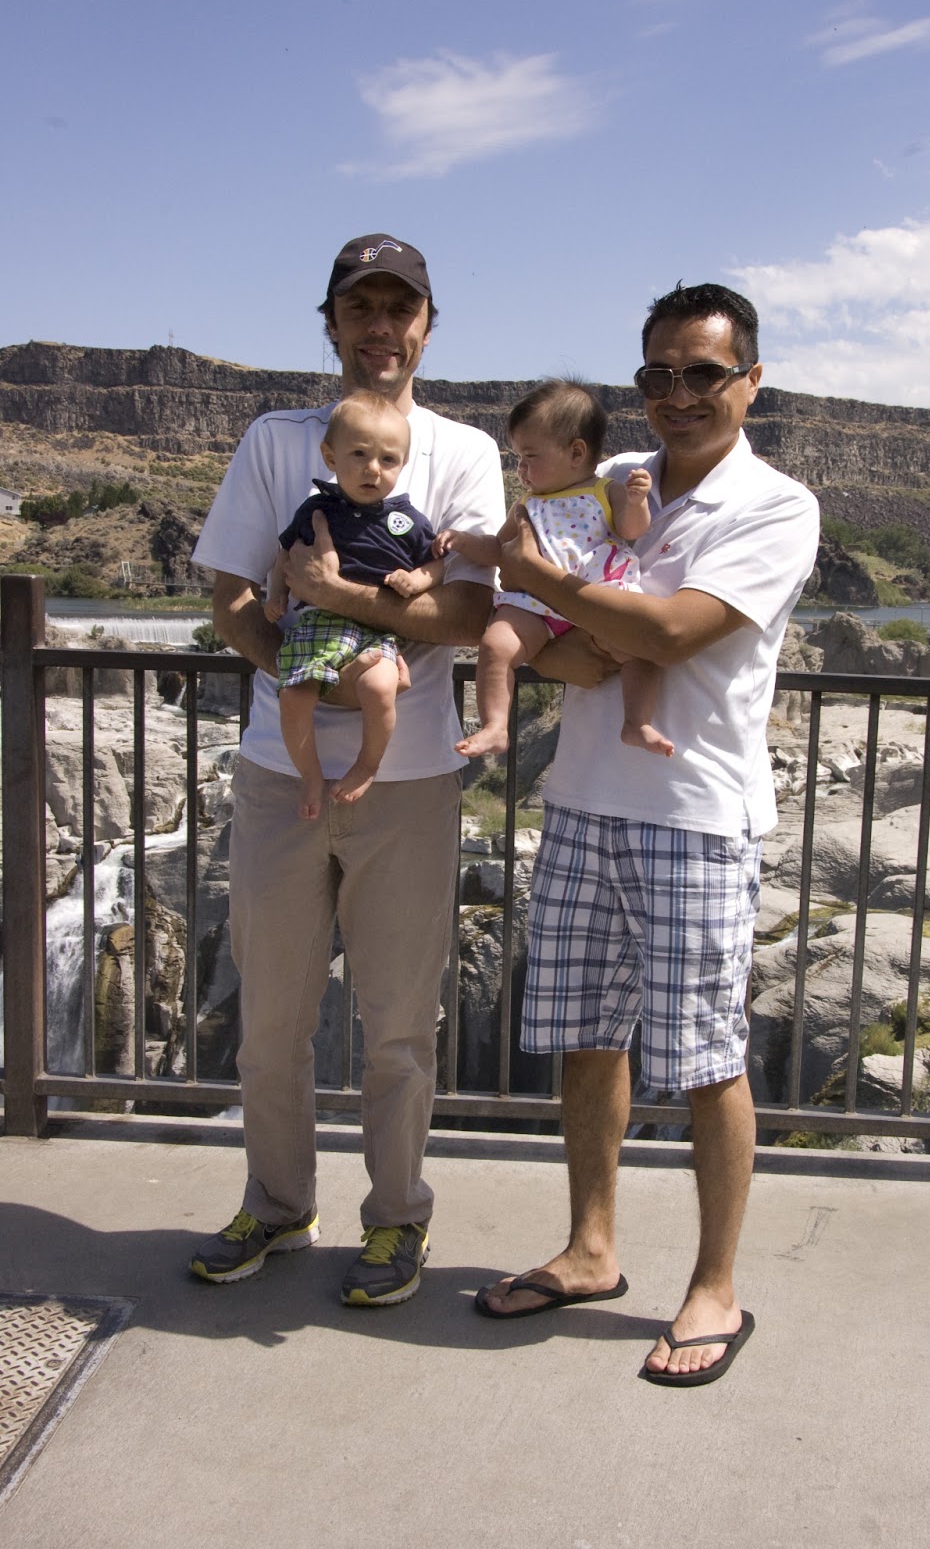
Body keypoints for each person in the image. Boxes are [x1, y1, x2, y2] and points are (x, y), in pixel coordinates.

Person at [475, 283, 820, 1387]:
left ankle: (715, 1287)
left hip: (696, 817)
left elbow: (668, 632)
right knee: (587, 1040)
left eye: (703, 373)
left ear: (749, 381)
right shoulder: (611, 482)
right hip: (582, 799)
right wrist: (574, 625)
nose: (679, 393)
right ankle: (590, 1250)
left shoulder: (775, 506)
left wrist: (544, 585)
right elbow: (573, 650)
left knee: (708, 1060)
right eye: (658, 374)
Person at [189, 233, 505, 1304]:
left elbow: (465, 613)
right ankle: (277, 1203)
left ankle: (397, 1219)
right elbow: (231, 595)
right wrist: (309, 676)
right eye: (360, 308)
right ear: (330, 323)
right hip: (277, 775)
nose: (381, 328)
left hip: (408, 782)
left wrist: (335, 600)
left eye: (398, 309)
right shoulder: (275, 440)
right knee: (271, 1018)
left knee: (399, 1023)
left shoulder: (463, 452)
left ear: (427, 327)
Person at [439, 378, 673, 760]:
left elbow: (632, 529)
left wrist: (636, 502)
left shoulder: (604, 491)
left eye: (530, 456)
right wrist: (465, 541)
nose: (520, 468)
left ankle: (637, 722)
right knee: (495, 645)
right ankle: (495, 726)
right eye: (518, 457)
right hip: (537, 606)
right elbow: (499, 549)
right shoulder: (527, 505)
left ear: (576, 453)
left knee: (638, 649)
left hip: (598, 598)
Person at [264, 390, 444, 819]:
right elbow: (284, 555)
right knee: (293, 697)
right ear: (330, 457)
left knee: (380, 688)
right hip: (317, 624)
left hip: (375, 630)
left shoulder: (407, 520)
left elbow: (438, 565)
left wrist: (417, 579)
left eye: (388, 459)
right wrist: (276, 595)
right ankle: (310, 775)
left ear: (402, 464)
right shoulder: (316, 509)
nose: (372, 469)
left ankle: (368, 765)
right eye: (359, 454)